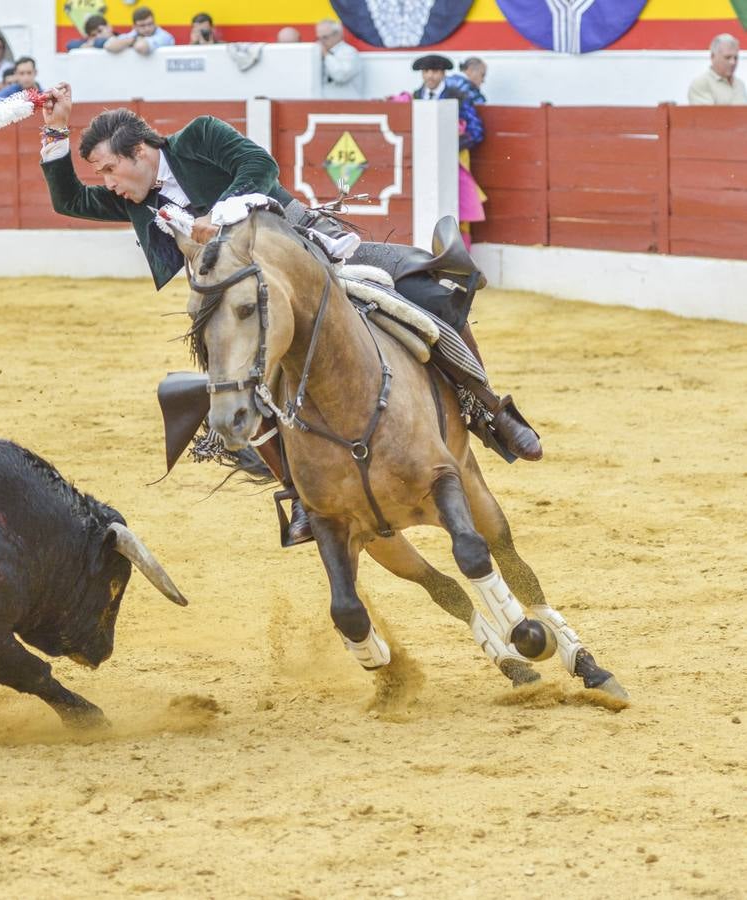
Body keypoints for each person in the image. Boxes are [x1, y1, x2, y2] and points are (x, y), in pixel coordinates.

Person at [36, 84, 541, 545]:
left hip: (306, 256)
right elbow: (68, 200)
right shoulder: (137, 201)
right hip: (239, 304)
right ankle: (299, 494)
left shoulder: (198, 137)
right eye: (101, 174)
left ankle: (488, 410)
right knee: (238, 387)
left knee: (422, 290)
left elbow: (259, 167)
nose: (106, 182)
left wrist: (220, 215)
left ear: (140, 153)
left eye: (107, 169)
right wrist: (56, 128)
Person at [412, 55, 486, 243]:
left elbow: (476, 130)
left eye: (435, 72)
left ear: (443, 73)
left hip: (455, 161)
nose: (430, 76)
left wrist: (451, 148)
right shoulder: (417, 95)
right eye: (426, 72)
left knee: (456, 208)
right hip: (424, 163)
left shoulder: (458, 96)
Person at [688, 34, 747, 106]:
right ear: (713, 57)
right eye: (727, 57)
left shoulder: (740, 84)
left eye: (736, 58)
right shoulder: (701, 84)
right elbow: (707, 115)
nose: (733, 62)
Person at [315, 19, 361, 99]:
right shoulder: (319, 54)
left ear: (337, 35)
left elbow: (341, 76)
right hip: (325, 105)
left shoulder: (349, 52)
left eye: (325, 37)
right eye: (319, 38)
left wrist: (326, 55)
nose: (321, 42)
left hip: (348, 104)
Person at [105, 7, 176, 55]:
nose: (147, 28)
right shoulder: (132, 35)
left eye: (150, 24)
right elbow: (108, 46)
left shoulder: (165, 36)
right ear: (134, 27)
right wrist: (132, 40)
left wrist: (129, 42)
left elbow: (141, 47)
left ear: (154, 23)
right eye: (142, 25)